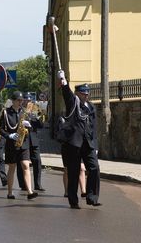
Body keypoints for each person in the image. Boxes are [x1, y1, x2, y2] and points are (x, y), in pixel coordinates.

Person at [57, 70, 101, 209]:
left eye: (87, 93)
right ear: (77, 93)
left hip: (88, 143)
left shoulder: (91, 107)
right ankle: (73, 200)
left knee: (94, 168)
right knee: (74, 172)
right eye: (83, 93)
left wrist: (95, 145)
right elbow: (67, 93)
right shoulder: (73, 103)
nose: (86, 95)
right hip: (74, 143)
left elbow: (93, 127)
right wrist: (63, 80)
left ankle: (92, 197)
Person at [0, 91, 38, 200]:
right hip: (12, 144)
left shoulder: (24, 112)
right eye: (19, 100)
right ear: (13, 101)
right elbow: (0, 129)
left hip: (23, 143)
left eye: (22, 100)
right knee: (12, 167)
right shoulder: (6, 112)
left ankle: (30, 191)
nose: (21, 102)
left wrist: (29, 126)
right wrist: (9, 135)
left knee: (26, 165)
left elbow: (31, 128)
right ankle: (10, 192)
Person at [17, 92, 44, 191]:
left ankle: (38, 184)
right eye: (26, 100)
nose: (28, 102)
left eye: (29, 100)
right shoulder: (19, 111)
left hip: (34, 140)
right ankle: (23, 184)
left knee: (37, 161)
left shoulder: (35, 110)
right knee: (22, 163)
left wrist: (37, 118)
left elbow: (41, 126)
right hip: (23, 139)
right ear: (22, 100)